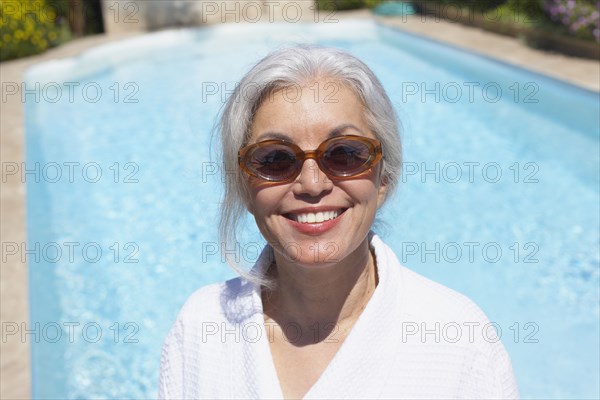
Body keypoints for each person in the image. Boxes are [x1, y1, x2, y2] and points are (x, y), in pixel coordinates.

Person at [159, 45, 519, 399]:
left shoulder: (459, 339)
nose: (312, 185)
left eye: (345, 153)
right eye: (274, 159)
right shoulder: (200, 327)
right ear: (244, 186)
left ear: (384, 177)